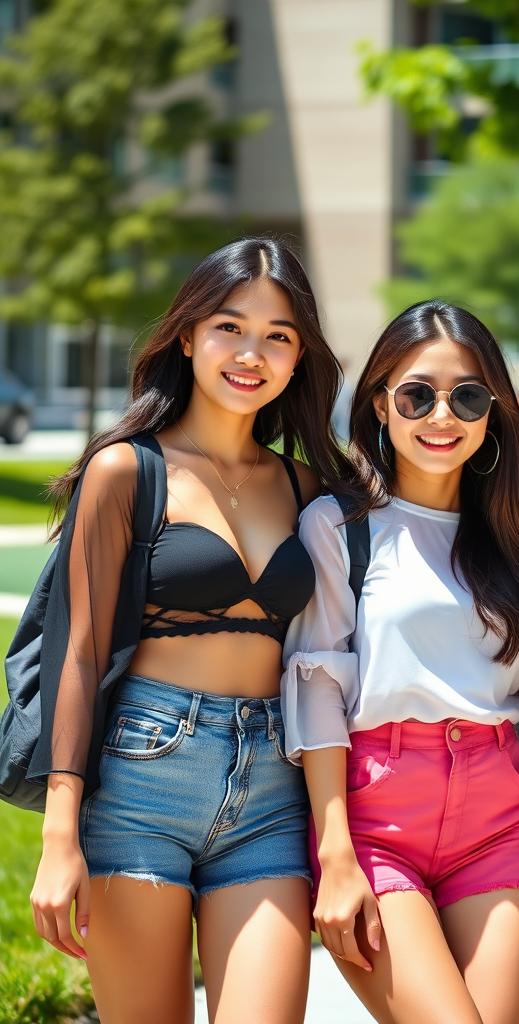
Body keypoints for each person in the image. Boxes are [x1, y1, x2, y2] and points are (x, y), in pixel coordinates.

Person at [28, 237, 353, 1022]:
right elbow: (77, 650)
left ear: (300, 356)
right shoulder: (125, 470)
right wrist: (59, 834)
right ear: (187, 335)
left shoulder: (310, 487)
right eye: (229, 328)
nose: (252, 354)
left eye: (278, 336)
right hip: (141, 777)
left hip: (274, 784)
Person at [282, 301, 519, 1024]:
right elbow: (316, 688)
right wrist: (335, 852)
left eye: (468, 396)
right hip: (374, 817)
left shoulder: (518, 530)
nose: (443, 416)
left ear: (494, 411)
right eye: (417, 395)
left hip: (497, 817)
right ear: (380, 402)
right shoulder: (339, 525)